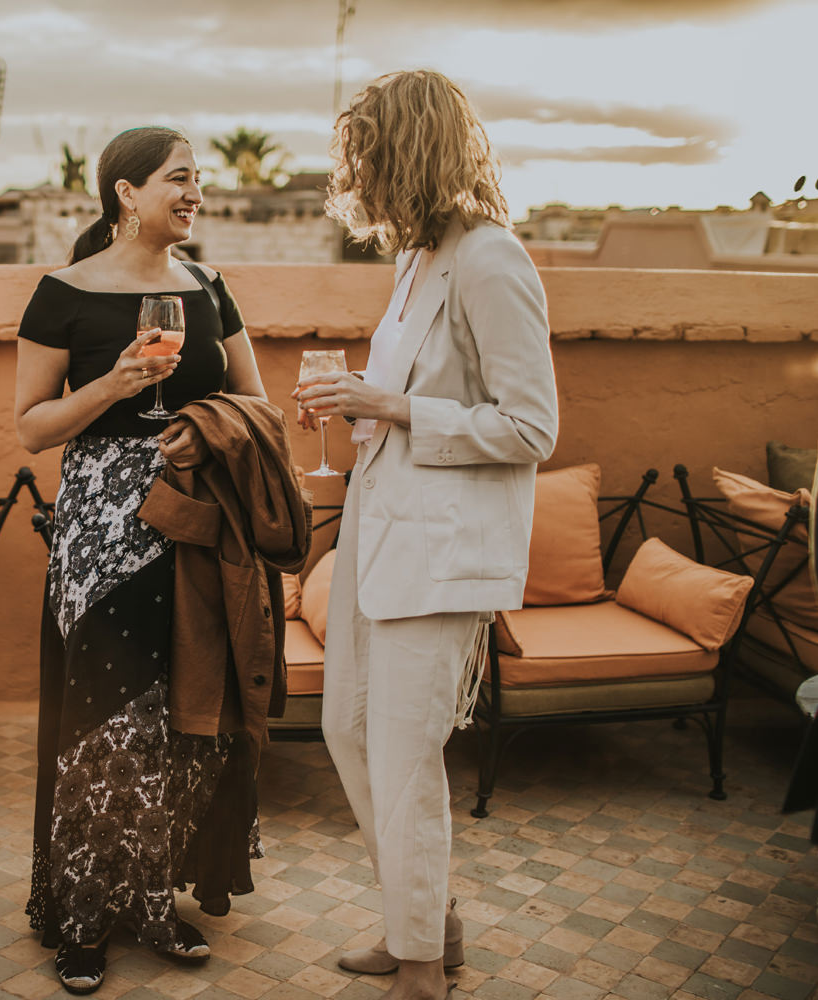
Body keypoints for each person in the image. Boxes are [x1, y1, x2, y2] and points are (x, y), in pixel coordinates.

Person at [294, 70, 558, 1000]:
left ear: (409, 151)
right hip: (377, 540)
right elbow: (402, 409)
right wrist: (358, 414)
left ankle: (419, 969)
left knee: (406, 760)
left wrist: (393, 406)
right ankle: (428, 921)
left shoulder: (492, 259)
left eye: (365, 154)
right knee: (348, 731)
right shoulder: (415, 261)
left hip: (443, 558)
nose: (354, 173)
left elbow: (532, 428)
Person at [14, 126, 271, 995]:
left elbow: (254, 401)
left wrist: (199, 428)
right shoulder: (64, 294)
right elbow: (30, 426)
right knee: (102, 717)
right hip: (99, 530)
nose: (195, 192)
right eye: (180, 178)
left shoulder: (209, 287)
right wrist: (112, 388)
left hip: (197, 520)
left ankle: (153, 900)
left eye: (198, 180)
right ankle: (83, 918)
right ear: (126, 193)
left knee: (182, 715)